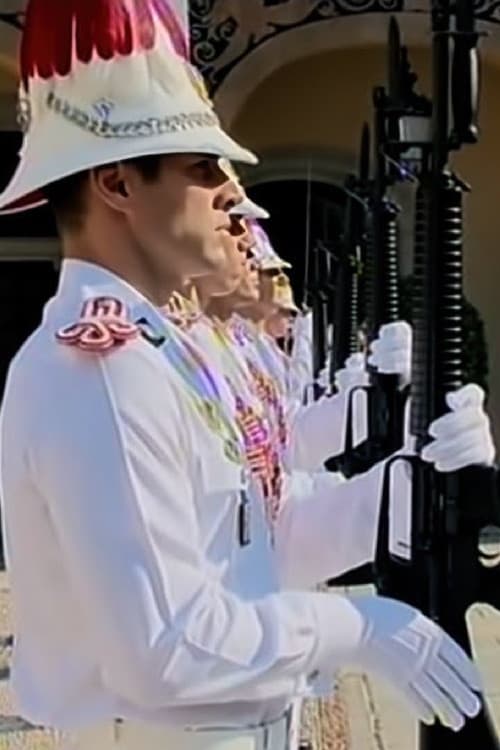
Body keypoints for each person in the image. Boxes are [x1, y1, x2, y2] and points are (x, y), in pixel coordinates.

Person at [0, 3, 494, 749]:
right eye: (202, 169)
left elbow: (256, 538)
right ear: (116, 183)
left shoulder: (159, 353)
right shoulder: (102, 369)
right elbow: (168, 651)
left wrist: (411, 483)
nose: (232, 193)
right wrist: (357, 627)